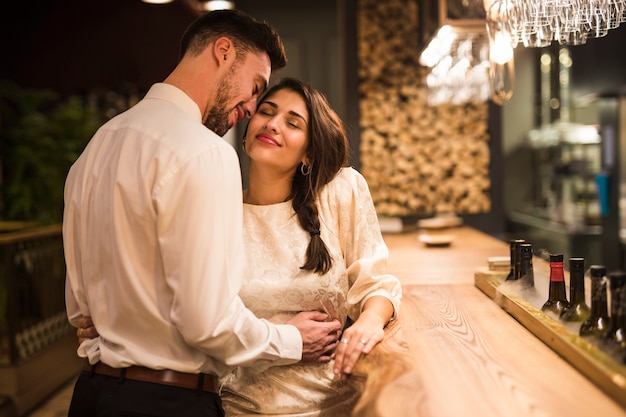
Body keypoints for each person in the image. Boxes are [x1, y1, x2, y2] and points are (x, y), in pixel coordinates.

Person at [63, 10, 343, 417]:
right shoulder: (205, 152)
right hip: (167, 402)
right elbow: (208, 323)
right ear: (224, 52)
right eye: (256, 87)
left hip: (90, 396)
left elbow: (80, 311)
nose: (251, 107)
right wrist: (294, 341)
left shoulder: (94, 150)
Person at [79, 77, 402, 416]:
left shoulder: (341, 191)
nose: (273, 125)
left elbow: (376, 283)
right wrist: (113, 317)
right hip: (239, 406)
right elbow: (181, 303)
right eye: (266, 112)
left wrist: (370, 321)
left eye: (293, 123)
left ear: (309, 152)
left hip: (334, 403)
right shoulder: (215, 209)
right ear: (247, 132)